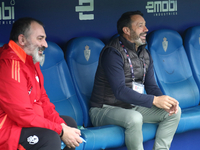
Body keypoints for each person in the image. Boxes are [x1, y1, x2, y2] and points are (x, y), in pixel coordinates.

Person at [89, 11, 181, 150]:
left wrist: (164, 100)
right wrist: (154, 101)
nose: (146, 29)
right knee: (135, 118)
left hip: (131, 105)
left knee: (174, 112)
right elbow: (120, 91)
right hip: (104, 109)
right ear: (126, 30)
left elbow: (151, 86)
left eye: (145, 25)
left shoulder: (144, 53)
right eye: (140, 26)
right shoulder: (112, 52)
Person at [0, 17, 83, 150]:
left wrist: (62, 126)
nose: (45, 44)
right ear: (22, 40)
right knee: (49, 137)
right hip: (7, 130)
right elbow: (22, 115)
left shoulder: (31, 61)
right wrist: (60, 131)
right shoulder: (10, 66)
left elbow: (42, 100)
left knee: (69, 123)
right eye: (40, 38)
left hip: (23, 123)